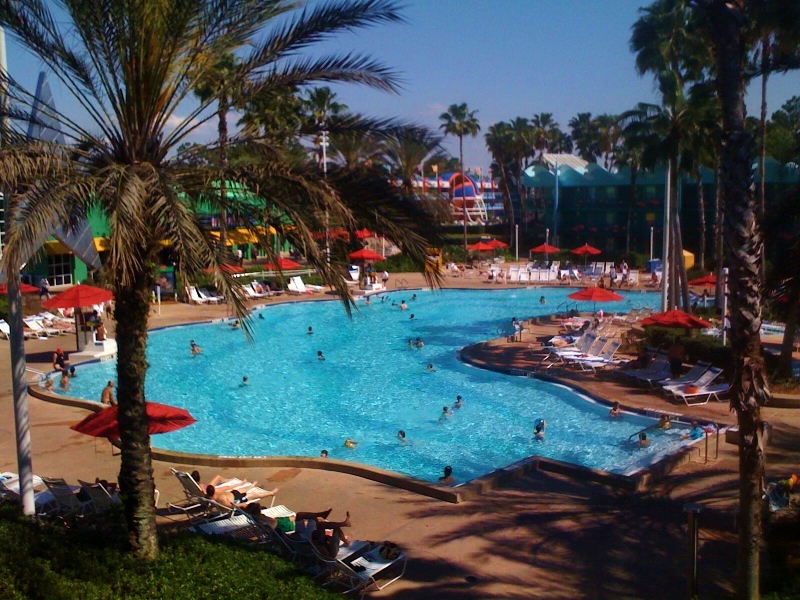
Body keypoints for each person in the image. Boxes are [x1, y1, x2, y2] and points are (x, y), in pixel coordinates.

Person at [206, 483, 279, 510]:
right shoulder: (221, 499)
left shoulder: (209, 497)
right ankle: (271, 493)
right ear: (214, 491)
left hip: (234, 494)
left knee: (242, 490)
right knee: (253, 495)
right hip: (237, 500)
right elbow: (232, 506)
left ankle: (250, 487)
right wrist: (242, 504)